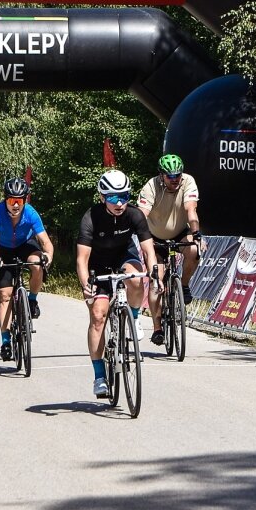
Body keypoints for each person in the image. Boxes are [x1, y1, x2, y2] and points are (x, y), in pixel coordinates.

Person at [76, 169, 158, 397]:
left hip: (124, 255)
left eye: (124, 196)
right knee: (98, 317)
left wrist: (153, 272)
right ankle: (100, 376)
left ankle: (133, 317)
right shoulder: (90, 218)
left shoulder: (134, 215)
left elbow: (148, 250)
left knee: (135, 278)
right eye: (113, 197)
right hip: (97, 264)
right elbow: (81, 259)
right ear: (102, 197)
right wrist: (86, 284)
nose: (119, 203)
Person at [137, 153, 205, 346]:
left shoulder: (188, 181)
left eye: (178, 175)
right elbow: (142, 215)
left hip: (179, 231)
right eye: (170, 176)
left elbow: (191, 210)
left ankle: (183, 285)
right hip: (154, 234)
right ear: (161, 176)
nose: (175, 180)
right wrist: (141, 238)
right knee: (156, 280)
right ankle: (157, 327)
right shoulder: (151, 186)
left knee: (194, 250)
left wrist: (197, 233)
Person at [0, 178, 54, 361]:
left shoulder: (31, 213)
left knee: (36, 262)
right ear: (5, 199)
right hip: (4, 249)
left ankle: (32, 300)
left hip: (26, 245)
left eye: (20, 200)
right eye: (11, 200)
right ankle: (6, 341)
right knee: (5, 296)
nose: (16, 205)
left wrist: (47, 255)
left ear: (25, 200)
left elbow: (46, 242)